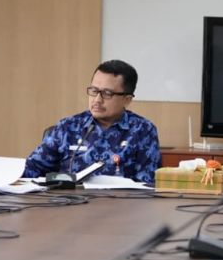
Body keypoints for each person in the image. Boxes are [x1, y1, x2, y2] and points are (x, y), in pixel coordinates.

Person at [22, 60, 161, 184]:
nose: (97, 100)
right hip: (69, 202)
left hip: (120, 203)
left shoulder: (143, 131)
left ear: (127, 99)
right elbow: (32, 168)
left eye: (107, 93)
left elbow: (146, 184)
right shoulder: (68, 127)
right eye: (94, 91)